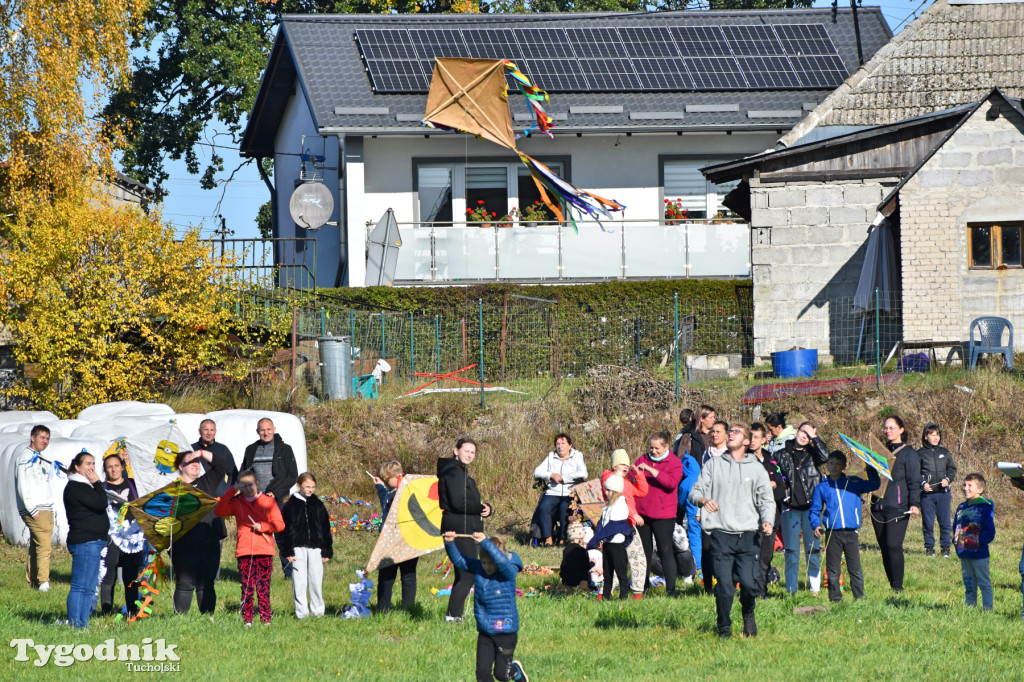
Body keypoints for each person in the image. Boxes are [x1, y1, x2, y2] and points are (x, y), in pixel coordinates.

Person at [690, 423, 775, 638]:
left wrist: (767, 521)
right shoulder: (713, 465)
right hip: (720, 535)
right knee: (725, 587)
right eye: (730, 431)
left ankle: (748, 612)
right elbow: (695, 491)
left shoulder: (756, 468)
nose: (730, 434)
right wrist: (703, 500)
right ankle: (724, 628)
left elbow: (767, 499)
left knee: (748, 584)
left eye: (736, 432)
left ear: (746, 441)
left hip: (749, 536)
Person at [443, 531, 528, 682]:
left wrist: (485, 543)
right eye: (484, 562)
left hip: (506, 633)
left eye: (491, 563)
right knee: (482, 673)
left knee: (502, 675)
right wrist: (449, 543)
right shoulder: (480, 569)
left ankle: (515, 671)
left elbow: (502, 562)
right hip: (485, 632)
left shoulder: (509, 571)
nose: (487, 567)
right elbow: (460, 560)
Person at [214, 469, 285, 626]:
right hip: (245, 551)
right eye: (243, 485)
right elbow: (219, 510)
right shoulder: (237, 502)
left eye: (250, 484)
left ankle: (266, 618)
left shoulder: (268, 502)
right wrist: (232, 490)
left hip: (265, 550)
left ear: (257, 484)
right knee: (247, 587)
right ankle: (247, 619)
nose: (247, 488)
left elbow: (280, 525)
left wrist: (264, 526)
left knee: (263, 586)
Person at [809, 451, 880, 603]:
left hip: (851, 533)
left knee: (855, 568)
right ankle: (835, 598)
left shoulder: (853, 482)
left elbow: (875, 484)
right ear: (826, 465)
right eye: (831, 463)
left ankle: (859, 597)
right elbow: (815, 510)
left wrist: (869, 466)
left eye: (837, 464)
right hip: (832, 533)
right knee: (833, 569)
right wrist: (816, 525)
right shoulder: (822, 487)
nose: (833, 467)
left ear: (844, 466)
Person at [438, 437, 493, 622]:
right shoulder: (453, 472)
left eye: (473, 452)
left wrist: (486, 509)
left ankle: (455, 615)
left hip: (465, 527)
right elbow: (458, 502)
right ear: (456, 450)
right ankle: (453, 617)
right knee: (468, 575)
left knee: (464, 574)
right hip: (458, 529)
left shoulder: (462, 473)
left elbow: (470, 501)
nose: (470, 455)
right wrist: (479, 508)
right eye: (466, 450)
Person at [169, 448, 229, 614]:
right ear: (181, 467)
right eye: (190, 461)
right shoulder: (172, 490)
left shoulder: (206, 482)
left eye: (197, 462)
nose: (195, 464)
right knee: (185, 582)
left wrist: (200, 453)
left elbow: (221, 464)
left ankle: (208, 618)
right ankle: (180, 620)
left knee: (207, 582)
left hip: (209, 539)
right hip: (183, 543)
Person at [778, 421, 830, 595]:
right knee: (791, 551)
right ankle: (791, 590)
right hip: (790, 509)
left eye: (809, 435)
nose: (804, 436)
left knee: (813, 549)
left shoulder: (814, 454)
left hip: (811, 510)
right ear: (796, 430)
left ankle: (814, 589)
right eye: (803, 431)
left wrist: (815, 437)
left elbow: (826, 456)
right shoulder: (781, 454)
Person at [241, 418, 298, 577]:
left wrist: (276, 492)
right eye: (262, 430)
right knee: (256, 537)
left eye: (268, 429)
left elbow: (292, 476)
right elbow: (243, 473)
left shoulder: (285, 449)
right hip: (256, 501)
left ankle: (289, 574)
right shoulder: (251, 449)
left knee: (282, 536)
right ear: (257, 431)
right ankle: (258, 573)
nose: (265, 433)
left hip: (277, 500)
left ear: (274, 429)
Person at [871, 416, 921, 593]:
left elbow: (914, 481)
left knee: (893, 545)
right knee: (884, 547)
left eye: (892, 427)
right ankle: (892, 585)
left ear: (901, 429)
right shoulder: (878, 451)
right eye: (885, 428)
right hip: (877, 507)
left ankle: (898, 587)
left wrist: (915, 503)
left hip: (899, 507)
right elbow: (869, 476)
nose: (888, 431)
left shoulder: (909, 453)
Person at [63, 451, 109, 628]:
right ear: (77, 466)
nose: (91, 467)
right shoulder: (77, 486)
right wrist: (97, 483)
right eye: (88, 464)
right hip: (85, 542)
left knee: (89, 587)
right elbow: (100, 503)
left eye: (93, 464)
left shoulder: (84, 486)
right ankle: (76, 624)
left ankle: (83, 623)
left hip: (94, 541)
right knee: (80, 586)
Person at [634, 432, 683, 596]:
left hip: (664, 515)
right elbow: (632, 480)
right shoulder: (642, 459)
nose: (653, 451)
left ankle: (671, 588)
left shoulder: (674, 463)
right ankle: (643, 586)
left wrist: (651, 470)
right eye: (651, 447)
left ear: (666, 447)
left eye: (657, 448)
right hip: (642, 514)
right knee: (644, 552)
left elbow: (670, 483)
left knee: (665, 550)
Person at [279, 472, 332, 619]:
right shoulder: (289, 506)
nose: (310, 490)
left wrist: (326, 550)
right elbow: (284, 530)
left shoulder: (318, 505)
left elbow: (325, 528)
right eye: (307, 486)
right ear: (298, 486)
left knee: (316, 580)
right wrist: (287, 550)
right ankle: (302, 613)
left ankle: (318, 612)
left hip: (316, 548)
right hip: (297, 549)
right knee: (300, 582)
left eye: (313, 487)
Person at [100, 453, 145, 617]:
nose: (113, 469)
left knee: (131, 577)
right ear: (105, 469)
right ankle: (106, 612)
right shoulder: (101, 488)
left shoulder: (133, 485)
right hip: (111, 539)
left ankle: (133, 613)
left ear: (123, 467)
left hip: (132, 539)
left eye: (116, 466)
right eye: (109, 466)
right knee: (108, 576)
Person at [600, 448, 648, 598]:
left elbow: (642, 492)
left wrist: (639, 475)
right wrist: (634, 514)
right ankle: (605, 593)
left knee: (637, 558)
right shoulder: (609, 479)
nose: (626, 467)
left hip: (629, 524)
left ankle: (637, 591)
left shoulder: (626, 482)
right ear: (614, 466)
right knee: (613, 562)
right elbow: (622, 500)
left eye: (627, 464)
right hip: (619, 525)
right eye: (622, 464)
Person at [373, 460, 419, 613]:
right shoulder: (390, 492)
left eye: (387, 480)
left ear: (396, 476)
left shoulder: (407, 490)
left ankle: (408, 609)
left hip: (406, 540)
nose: (386, 483)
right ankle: (383, 609)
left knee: (408, 576)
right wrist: (380, 487)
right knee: (386, 576)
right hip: (388, 541)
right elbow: (385, 501)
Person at [15, 425, 56, 592]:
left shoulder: (40, 458)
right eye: (42, 437)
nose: (45, 441)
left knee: (36, 545)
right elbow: (23, 485)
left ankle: (32, 579)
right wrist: (32, 509)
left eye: (47, 438)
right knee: (45, 546)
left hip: (44, 507)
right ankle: (43, 581)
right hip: (36, 508)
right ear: (33, 437)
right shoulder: (25, 457)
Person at [532, 433, 588, 546]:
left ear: (570, 445)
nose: (560, 446)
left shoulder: (577, 456)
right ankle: (548, 538)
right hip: (552, 491)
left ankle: (563, 538)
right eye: (557, 444)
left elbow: (584, 473)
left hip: (570, 492)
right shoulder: (551, 456)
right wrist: (551, 475)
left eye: (563, 443)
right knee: (543, 508)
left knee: (564, 508)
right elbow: (536, 472)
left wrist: (564, 477)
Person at [750, 423, 785, 597]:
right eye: (750, 437)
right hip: (752, 516)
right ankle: (751, 590)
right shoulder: (745, 460)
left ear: (764, 439)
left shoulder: (771, 459)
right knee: (752, 556)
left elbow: (781, 488)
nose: (751, 441)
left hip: (772, 516)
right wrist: (768, 486)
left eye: (756, 437)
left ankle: (761, 591)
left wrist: (772, 487)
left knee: (766, 557)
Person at [952, 473, 995, 611]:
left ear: (980, 489)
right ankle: (970, 609)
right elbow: (956, 526)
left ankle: (987, 609)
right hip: (963, 551)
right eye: (964, 485)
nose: (966, 488)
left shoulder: (984, 507)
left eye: (970, 485)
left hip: (979, 553)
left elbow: (990, 531)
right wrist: (956, 541)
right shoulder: (961, 507)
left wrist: (978, 542)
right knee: (969, 583)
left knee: (983, 582)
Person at [675, 409, 707, 589]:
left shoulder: (686, 481)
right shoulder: (699, 472)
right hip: (704, 502)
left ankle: (699, 566)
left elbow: (681, 500)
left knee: (694, 534)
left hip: (691, 508)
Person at [918, 422, 957, 557]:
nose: (935, 438)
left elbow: (952, 469)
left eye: (937, 435)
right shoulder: (920, 453)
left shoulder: (945, 453)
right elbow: (915, 473)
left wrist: (947, 479)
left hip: (943, 494)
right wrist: (923, 483)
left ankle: (946, 548)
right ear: (925, 437)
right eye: (932, 435)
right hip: (927, 495)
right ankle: (929, 548)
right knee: (928, 523)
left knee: (945, 522)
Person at [590, 474, 632, 600]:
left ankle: (623, 598)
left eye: (608, 490)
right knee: (607, 574)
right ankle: (605, 598)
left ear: (615, 491)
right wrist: (599, 537)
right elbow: (602, 524)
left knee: (621, 573)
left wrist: (601, 538)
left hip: (616, 544)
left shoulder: (620, 504)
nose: (606, 492)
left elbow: (614, 526)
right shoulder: (607, 506)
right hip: (608, 544)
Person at [192, 418, 238, 494]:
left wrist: (225, 491)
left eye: (212, 430)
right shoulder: (192, 449)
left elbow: (233, 474)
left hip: (218, 500)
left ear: (215, 432)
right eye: (206, 430)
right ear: (199, 431)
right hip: (197, 497)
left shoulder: (223, 449)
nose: (209, 433)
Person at [560, 523, 592, 590]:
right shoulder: (582, 550)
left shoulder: (565, 550)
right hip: (579, 580)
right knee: (586, 575)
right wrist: (592, 563)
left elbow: (563, 565)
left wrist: (562, 576)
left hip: (567, 580)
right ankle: (584, 588)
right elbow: (586, 567)